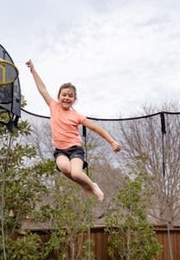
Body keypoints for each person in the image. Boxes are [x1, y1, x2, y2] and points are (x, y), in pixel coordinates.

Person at [26, 59, 122, 202]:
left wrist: (112, 141)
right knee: (64, 168)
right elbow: (42, 89)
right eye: (64, 94)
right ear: (58, 97)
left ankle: (92, 186)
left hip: (75, 149)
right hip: (60, 150)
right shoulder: (53, 106)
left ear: (74, 99)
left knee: (76, 173)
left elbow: (95, 128)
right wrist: (33, 70)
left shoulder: (76, 116)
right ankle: (85, 185)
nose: (67, 97)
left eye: (70, 96)